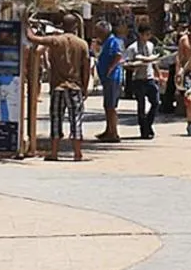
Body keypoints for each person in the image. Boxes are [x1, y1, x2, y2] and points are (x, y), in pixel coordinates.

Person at [25, 13, 90, 161]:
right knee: (76, 120)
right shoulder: (82, 44)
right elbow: (86, 69)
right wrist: (85, 88)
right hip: (75, 87)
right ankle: (77, 153)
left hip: (58, 87)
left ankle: (54, 153)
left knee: (56, 120)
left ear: (62, 25)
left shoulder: (55, 40)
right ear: (75, 26)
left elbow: (32, 38)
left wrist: (25, 23)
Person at [124, 22, 163, 139]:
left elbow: (153, 61)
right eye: (146, 34)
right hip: (138, 79)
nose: (148, 37)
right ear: (140, 34)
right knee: (141, 106)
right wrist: (136, 64)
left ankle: (148, 124)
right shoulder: (133, 48)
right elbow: (127, 64)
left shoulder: (150, 45)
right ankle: (144, 130)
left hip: (149, 78)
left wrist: (159, 74)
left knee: (155, 102)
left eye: (149, 34)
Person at [94, 20, 125, 142]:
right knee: (107, 105)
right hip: (107, 79)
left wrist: (110, 69)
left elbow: (118, 55)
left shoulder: (113, 41)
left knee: (111, 106)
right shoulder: (105, 42)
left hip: (112, 78)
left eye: (98, 31)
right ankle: (108, 130)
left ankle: (114, 133)